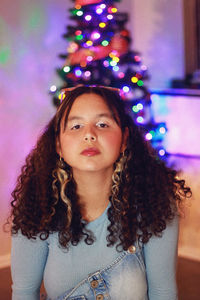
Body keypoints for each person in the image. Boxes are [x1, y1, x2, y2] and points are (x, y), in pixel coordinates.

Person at [10, 85, 191, 300]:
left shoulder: (156, 204)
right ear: (58, 143)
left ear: (124, 139)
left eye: (102, 124)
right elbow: (24, 292)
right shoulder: (37, 206)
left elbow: (163, 292)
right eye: (76, 126)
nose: (89, 134)